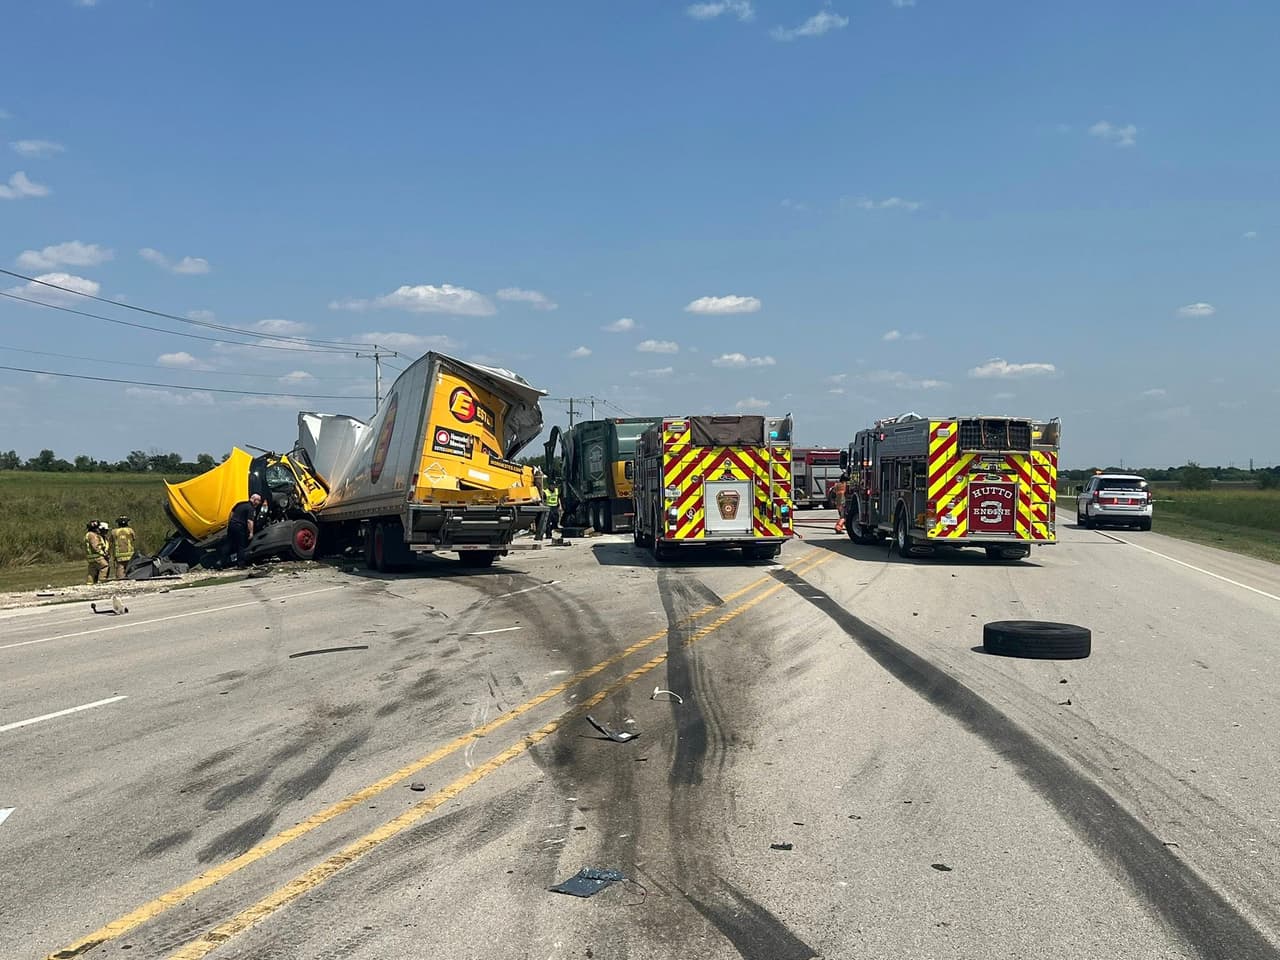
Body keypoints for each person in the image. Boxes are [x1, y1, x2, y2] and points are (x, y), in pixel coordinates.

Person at [227, 493, 263, 568]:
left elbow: (232, 512)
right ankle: (241, 564)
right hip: (240, 527)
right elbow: (249, 521)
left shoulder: (240, 504)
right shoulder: (251, 508)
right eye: (258, 501)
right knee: (241, 546)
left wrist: (230, 522)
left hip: (232, 525)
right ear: (254, 499)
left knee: (230, 544)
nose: (259, 503)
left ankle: (221, 562)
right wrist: (251, 533)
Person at [110, 516, 138, 581]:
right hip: (129, 554)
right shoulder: (130, 530)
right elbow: (134, 538)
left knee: (120, 568)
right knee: (130, 567)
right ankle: (131, 578)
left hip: (119, 554)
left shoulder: (114, 532)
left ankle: (121, 580)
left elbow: (111, 541)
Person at [84, 520, 109, 584]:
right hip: (97, 556)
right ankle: (101, 581)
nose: (99, 529)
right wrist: (103, 553)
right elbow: (96, 547)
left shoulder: (87, 534)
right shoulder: (93, 535)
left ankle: (89, 583)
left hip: (90, 558)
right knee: (104, 566)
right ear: (95, 528)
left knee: (92, 571)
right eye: (98, 527)